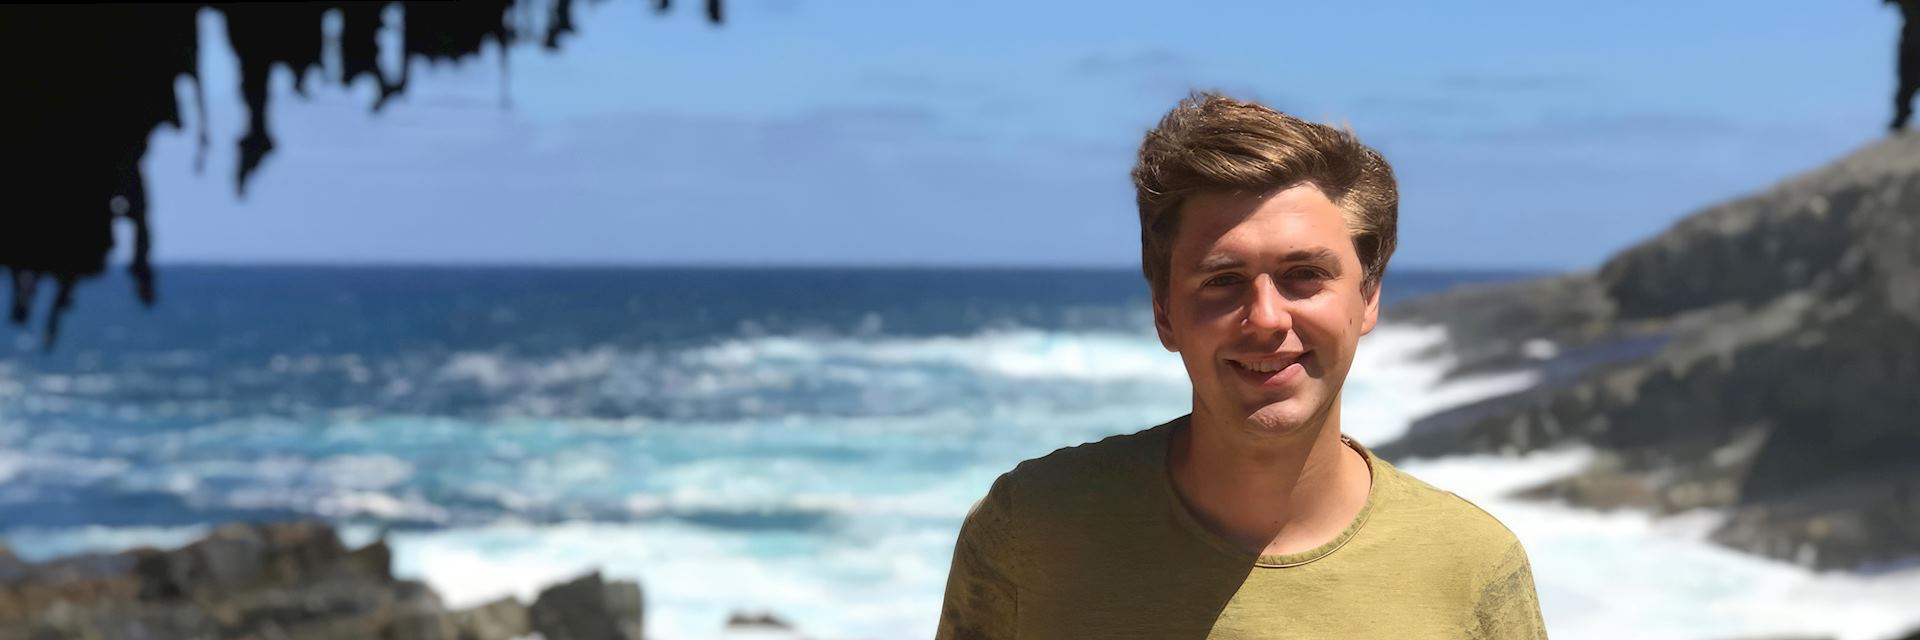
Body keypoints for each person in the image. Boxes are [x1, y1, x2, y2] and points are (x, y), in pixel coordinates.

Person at [935, 93, 1549, 639]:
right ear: (1165, 314)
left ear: (1367, 298)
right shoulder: (1034, 527)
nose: (1265, 317)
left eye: (1303, 275)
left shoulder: (1469, 566)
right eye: (1222, 280)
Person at [1892, 0, 1920, 131]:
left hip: (1911, 41)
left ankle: (1902, 117)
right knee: (1906, 85)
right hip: (1910, 42)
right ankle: (1902, 118)